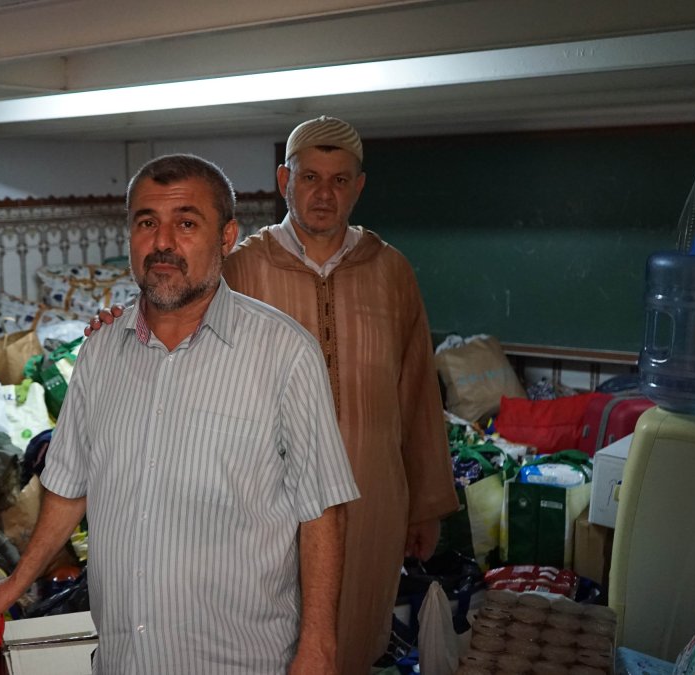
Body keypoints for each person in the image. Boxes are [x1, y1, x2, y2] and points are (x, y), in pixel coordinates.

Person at [0, 153, 360, 675]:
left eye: (187, 223)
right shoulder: (99, 353)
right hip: (126, 657)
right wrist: (13, 584)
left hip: (241, 659)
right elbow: (69, 486)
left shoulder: (284, 353)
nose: (163, 242)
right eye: (147, 223)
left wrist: (319, 644)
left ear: (227, 237)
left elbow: (322, 508)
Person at [87, 117, 458, 674]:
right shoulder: (242, 263)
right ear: (285, 179)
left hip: (372, 497)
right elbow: (169, 310)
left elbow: (417, 391)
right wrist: (115, 321)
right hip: (267, 508)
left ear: (359, 187)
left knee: (352, 640)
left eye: (339, 180)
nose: (323, 194)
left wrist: (426, 502)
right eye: (310, 177)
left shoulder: (391, 271)